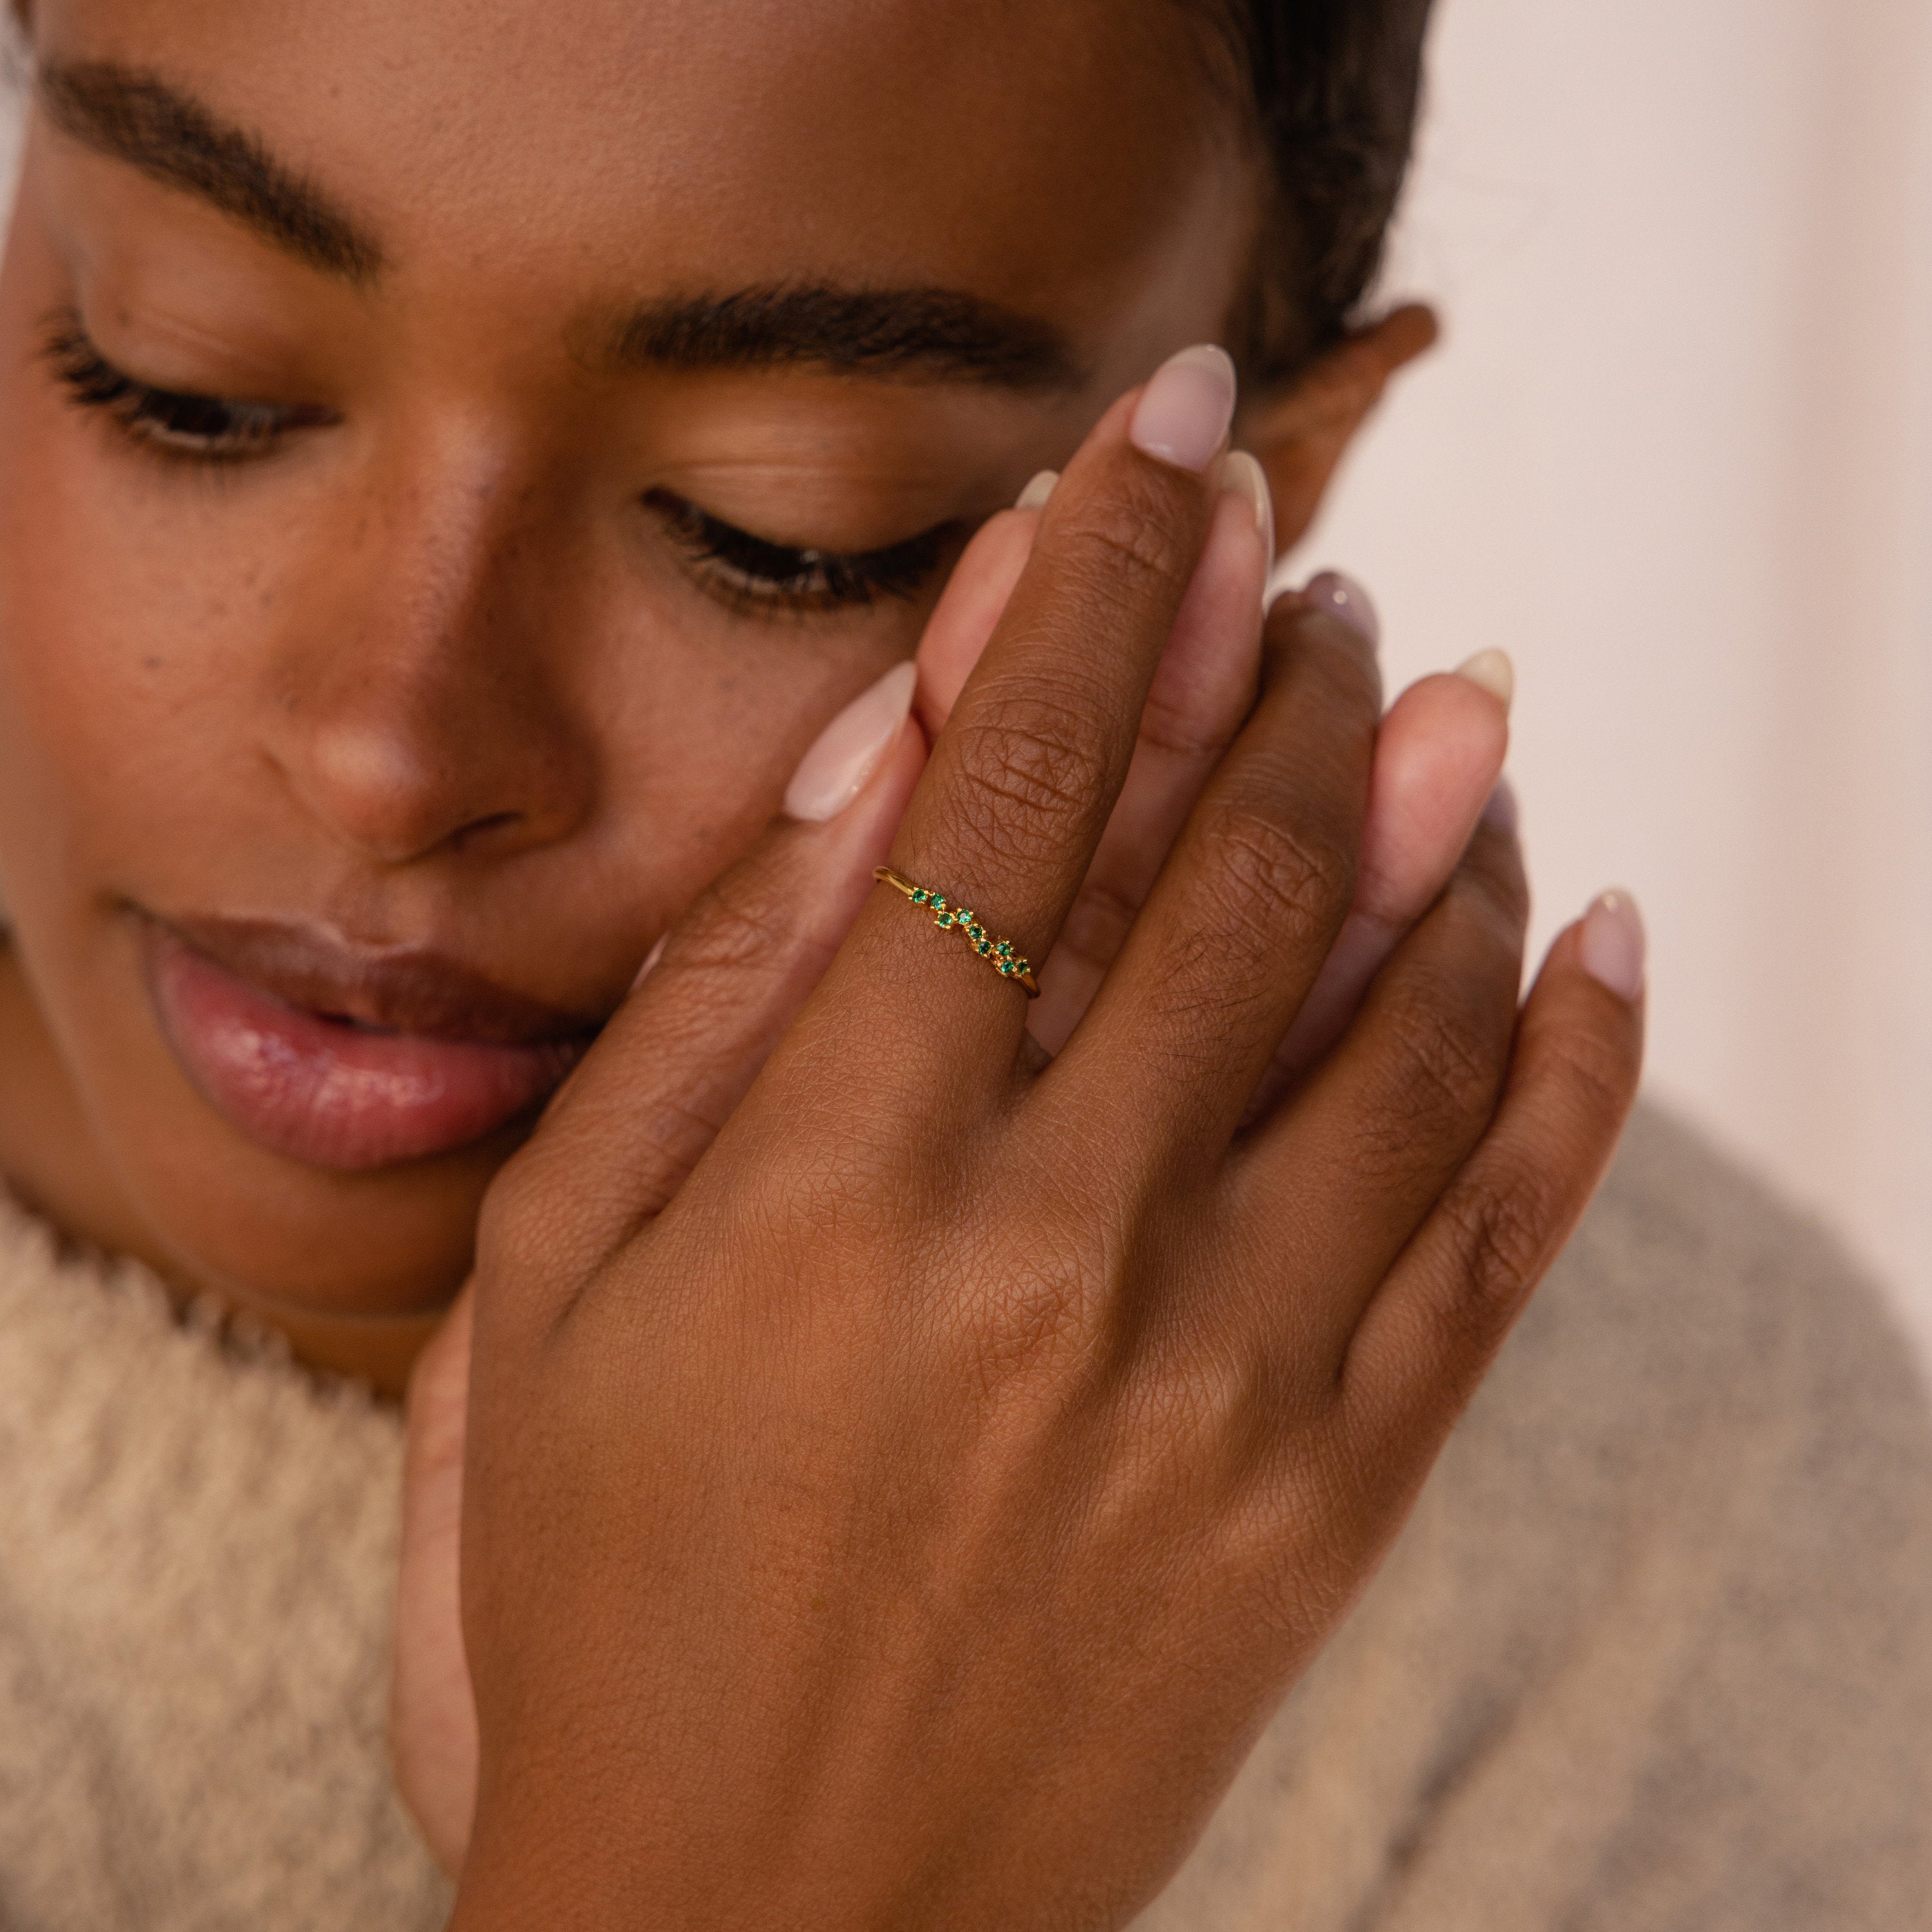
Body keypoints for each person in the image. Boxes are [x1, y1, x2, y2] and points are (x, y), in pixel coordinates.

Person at [0, 1, 1926, 1927]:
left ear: (1262, 492)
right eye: (186, 387)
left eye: (780, 529)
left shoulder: (1687, 1546)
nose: (391, 753)